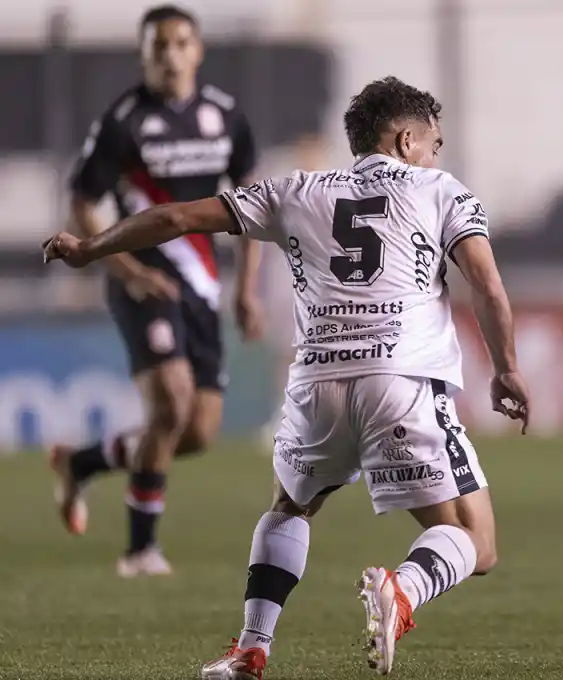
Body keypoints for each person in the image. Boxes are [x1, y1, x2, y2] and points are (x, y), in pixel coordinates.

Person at [43, 76, 530, 680]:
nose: (436, 155)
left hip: (317, 385)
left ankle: (251, 648)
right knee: (475, 542)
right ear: (407, 140)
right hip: (401, 380)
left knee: (289, 508)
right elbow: (486, 284)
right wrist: (506, 368)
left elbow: (171, 216)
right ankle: (401, 592)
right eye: (433, 144)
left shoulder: (294, 189)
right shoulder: (440, 189)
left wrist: (91, 249)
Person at [48, 3, 263, 578]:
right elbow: (82, 203)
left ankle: (83, 462)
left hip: (202, 286)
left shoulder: (226, 118)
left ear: (198, 51)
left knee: (197, 431)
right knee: (170, 404)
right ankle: (140, 550)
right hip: (144, 284)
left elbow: (252, 207)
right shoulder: (123, 121)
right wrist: (124, 270)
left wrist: (247, 291)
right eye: (159, 45)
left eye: (180, 43)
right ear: (143, 53)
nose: (170, 54)